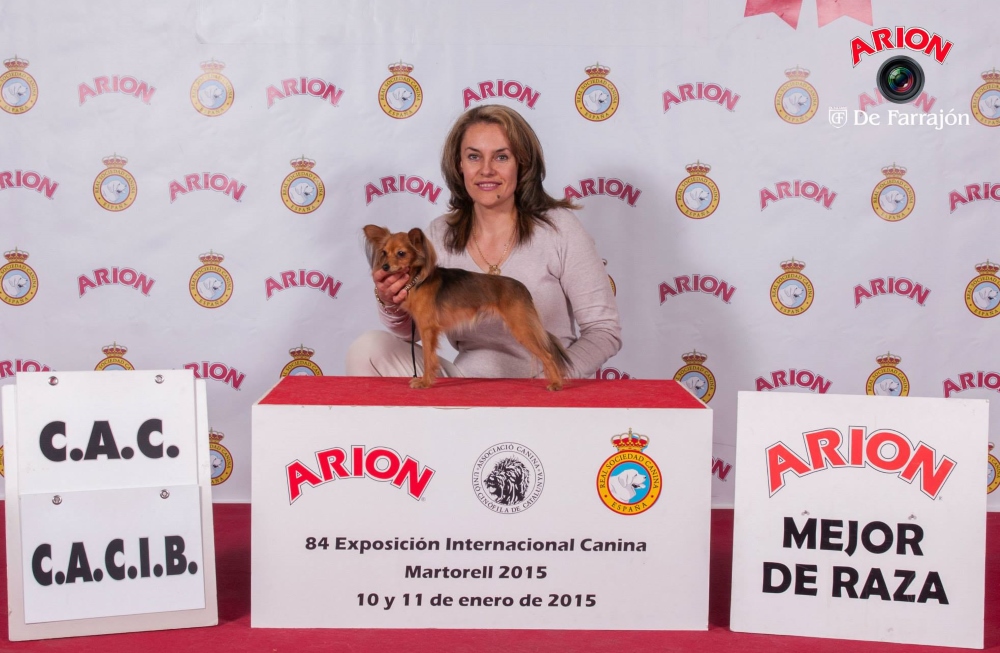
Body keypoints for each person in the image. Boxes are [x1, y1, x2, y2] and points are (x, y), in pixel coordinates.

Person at [345, 104, 621, 380]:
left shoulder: (559, 228)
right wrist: (390, 300)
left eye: (501, 157)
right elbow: (414, 330)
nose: (486, 170)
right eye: (474, 157)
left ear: (522, 163)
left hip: (541, 385)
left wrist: (549, 381)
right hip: (464, 383)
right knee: (368, 349)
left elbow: (604, 331)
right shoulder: (440, 233)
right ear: (460, 165)